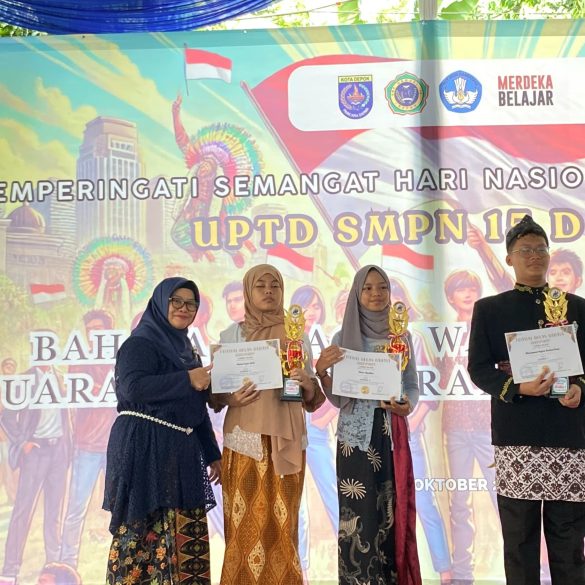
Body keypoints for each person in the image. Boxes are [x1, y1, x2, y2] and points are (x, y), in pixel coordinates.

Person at [467, 215, 585, 585]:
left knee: (569, 542)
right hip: (516, 437)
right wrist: (518, 388)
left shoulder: (577, 307)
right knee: (519, 542)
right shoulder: (490, 309)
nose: (534, 255)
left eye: (540, 249)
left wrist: (580, 389)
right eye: (525, 250)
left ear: (549, 255)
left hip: (569, 436)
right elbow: (478, 368)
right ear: (509, 259)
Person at [103, 277, 221, 585]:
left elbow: (196, 409)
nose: (184, 308)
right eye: (176, 301)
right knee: (142, 538)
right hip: (144, 449)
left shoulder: (186, 351)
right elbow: (133, 387)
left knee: (187, 538)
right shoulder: (140, 343)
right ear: (160, 302)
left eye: (191, 304)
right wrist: (187, 379)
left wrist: (212, 454)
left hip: (181, 452)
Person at [215, 264, 325, 585]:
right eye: (260, 285)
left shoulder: (297, 334)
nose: (268, 291)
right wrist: (231, 396)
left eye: (274, 285)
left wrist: (306, 382)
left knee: (283, 526)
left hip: (287, 439)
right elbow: (217, 394)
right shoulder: (231, 335)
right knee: (243, 527)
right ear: (248, 292)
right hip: (243, 441)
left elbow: (312, 397)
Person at [315, 265, 422, 585]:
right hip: (354, 439)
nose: (376, 294)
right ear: (356, 293)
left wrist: (408, 404)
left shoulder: (401, 337)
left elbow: (411, 385)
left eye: (382, 287)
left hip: (390, 434)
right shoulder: (342, 338)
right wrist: (321, 372)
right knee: (357, 516)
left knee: (391, 512)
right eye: (368, 288)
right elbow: (339, 399)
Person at [388, 277, 452, 584]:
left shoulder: (413, 338)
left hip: (408, 432)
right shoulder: (366, 338)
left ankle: (445, 570)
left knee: (423, 501)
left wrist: (412, 420)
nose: (390, 304)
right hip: (376, 436)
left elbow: (428, 388)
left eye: (395, 297)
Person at [440, 270, 498, 585]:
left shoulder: (489, 331)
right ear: (450, 297)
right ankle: (463, 572)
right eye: (460, 289)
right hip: (455, 429)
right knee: (459, 502)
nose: (467, 293)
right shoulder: (444, 334)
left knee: (502, 497)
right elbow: (436, 382)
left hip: (488, 426)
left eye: (472, 288)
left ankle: (525, 565)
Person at [0, 358, 72, 583]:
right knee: (23, 511)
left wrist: (67, 448)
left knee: (54, 514)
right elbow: (7, 417)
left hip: (59, 451)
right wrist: (23, 443)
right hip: (35, 452)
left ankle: (53, 568)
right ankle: (9, 570)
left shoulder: (60, 376)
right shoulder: (24, 379)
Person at [289, 284, 339, 581]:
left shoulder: (329, 339)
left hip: (318, 430)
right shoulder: (287, 339)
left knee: (334, 494)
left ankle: (349, 555)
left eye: (316, 306)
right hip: (291, 428)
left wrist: (324, 418)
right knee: (298, 504)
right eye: (304, 306)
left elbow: (340, 388)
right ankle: (303, 569)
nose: (310, 312)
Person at [60, 310, 116, 568]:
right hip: (87, 446)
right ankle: (68, 561)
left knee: (121, 506)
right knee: (76, 508)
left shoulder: (120, 358)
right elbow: (77, 390)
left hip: (116, 445)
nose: (93, 332)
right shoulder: (80, 360)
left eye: (97, 328)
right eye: (89, 329)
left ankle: (125, 560)